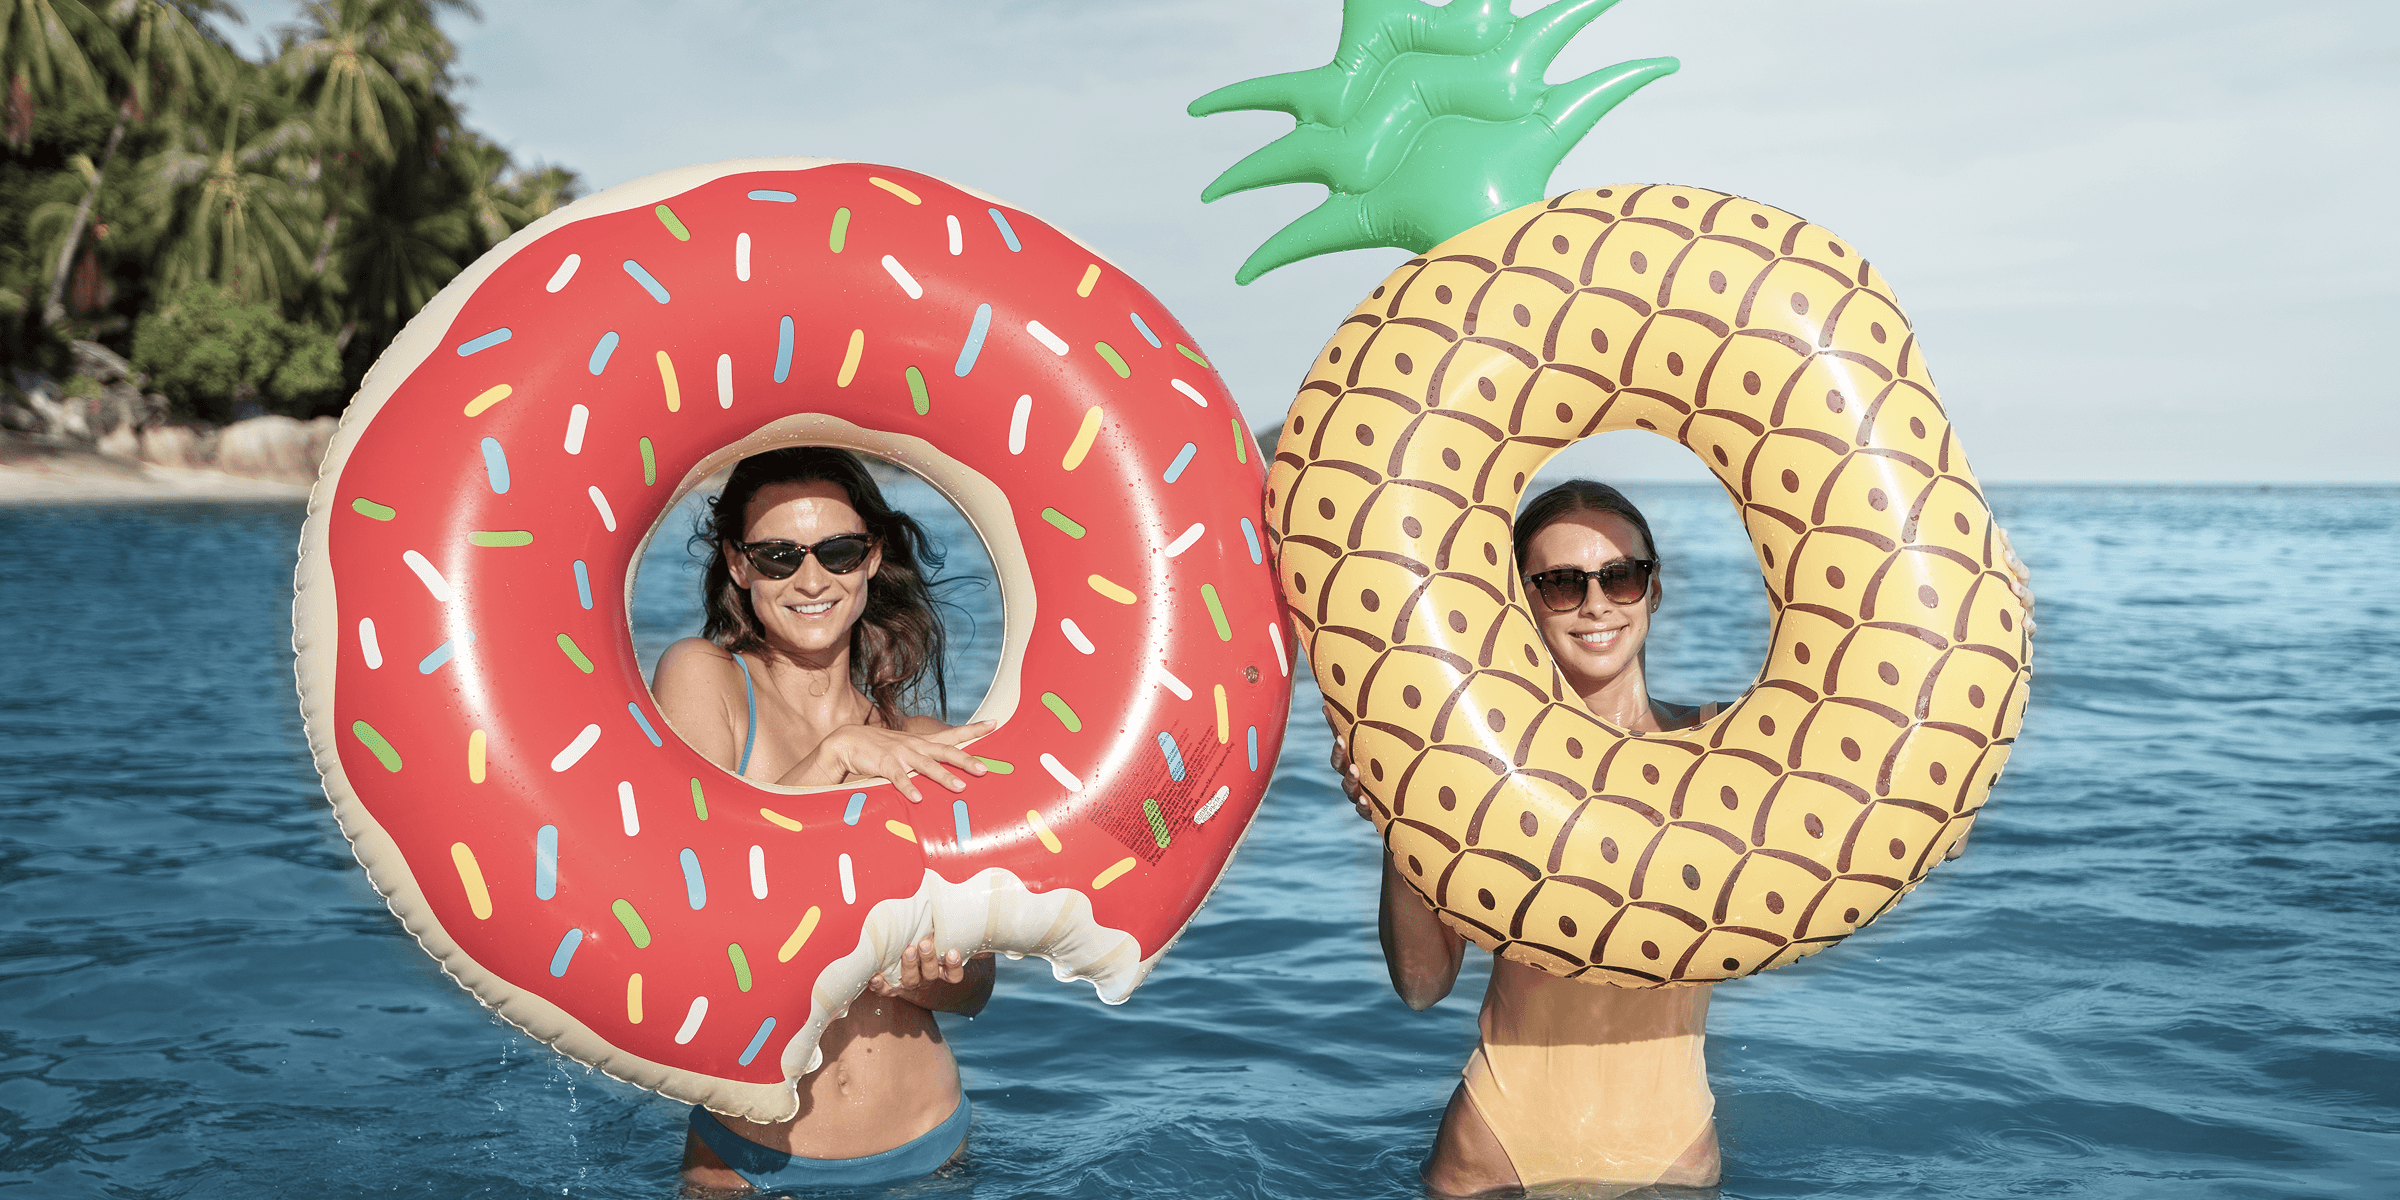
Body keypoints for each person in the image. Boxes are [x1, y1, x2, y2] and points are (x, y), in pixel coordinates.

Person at [1328, 480, 2032, 1195]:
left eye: (1621, 577)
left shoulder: (1734, 749)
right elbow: (1422, 986)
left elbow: (1927, 830)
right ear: (1523, 604)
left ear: (1653, 591)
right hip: (1492, 1157)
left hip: (1671, 1162)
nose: (1597, 603)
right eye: (1562, 583)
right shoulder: (1479, 761)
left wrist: (1987, 629)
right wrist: (1399, 810)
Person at [651, 446, 997, 1194]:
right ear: (738, 567)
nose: (812, 580)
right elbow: (694, 890)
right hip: (747, 1162)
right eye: (778, 557)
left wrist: (933, 979)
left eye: (837, 552)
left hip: (928, 1148)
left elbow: (978, 988)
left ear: (871, 560)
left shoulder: (922, 745)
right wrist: (833, 759)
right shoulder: (704, 680)